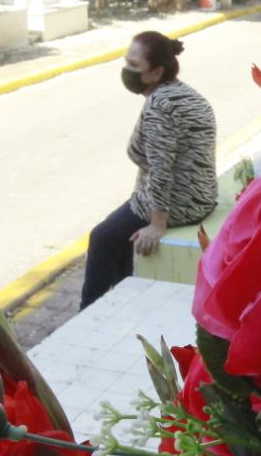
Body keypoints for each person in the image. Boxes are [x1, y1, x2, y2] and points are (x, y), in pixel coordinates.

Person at [81, 32, 217, 308]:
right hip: (201, 195)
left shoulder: (160, 106)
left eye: (134, 66)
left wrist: (157, 225)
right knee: (121, 238)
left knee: (102, 237)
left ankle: (88, 310)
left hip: (180, 203)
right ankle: (123, 296)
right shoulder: (183, 93)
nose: (127, 71)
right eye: (126, 63)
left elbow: (160, 170)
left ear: (156, 72)